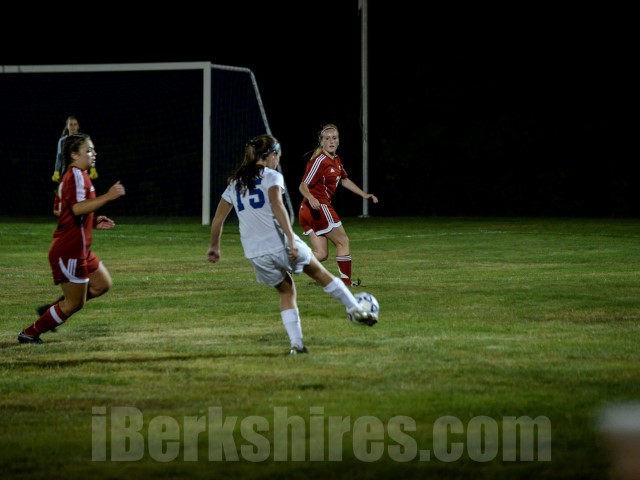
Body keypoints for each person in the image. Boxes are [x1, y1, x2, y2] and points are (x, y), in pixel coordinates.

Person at [206, 134, 376, 355]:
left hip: (255, 253)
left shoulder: (235, 182)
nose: (278, 160)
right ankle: (357, 309)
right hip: (280, 243)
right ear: (271, 155)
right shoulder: (271, 176)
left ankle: (297, 345)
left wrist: (214, 246)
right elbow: (277, 205)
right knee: (321, 274)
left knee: (286, 291)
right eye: (278, 156)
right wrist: (291, 238)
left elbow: (218, 219)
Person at [18, 133, 125, 344]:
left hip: (81, 249)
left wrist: (92, 221)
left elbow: (64, 210)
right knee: (75, 303)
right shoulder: (75, 175)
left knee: (102, 284)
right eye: (89, 150)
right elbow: (76, 208)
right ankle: (29, 333)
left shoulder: (80, 175)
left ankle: (52, 311)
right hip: (69, 251)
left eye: (93, 150)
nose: (94, 153)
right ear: (74, 155)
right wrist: (108, 196)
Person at [298, 123, 378, 287]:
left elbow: (344, 179)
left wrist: (364, 195)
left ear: (339, 141)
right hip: (318, 206)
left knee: (321, 254)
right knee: (343, 241)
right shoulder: (320, 161)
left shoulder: (336, 160)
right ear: (322, 142)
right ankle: (346, 282)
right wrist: (311, 197)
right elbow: (302, 185)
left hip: (308, 210)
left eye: (334, 138)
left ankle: (289, 264)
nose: (331, 141)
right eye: (327, 139)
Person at [52, 116, 98, 216]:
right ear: (67, 126)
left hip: (82, 171)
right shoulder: (62, 140)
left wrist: (93, 169)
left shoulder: (83, 138)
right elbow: (59, 157)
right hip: (66, 171)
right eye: (71, 124)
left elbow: (90, 154)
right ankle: (65, 214)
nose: (73, 126)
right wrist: (56, 171)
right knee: (66, 193)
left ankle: (84, 215)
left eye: (75, 124)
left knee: (82, 193)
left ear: (78, 126)